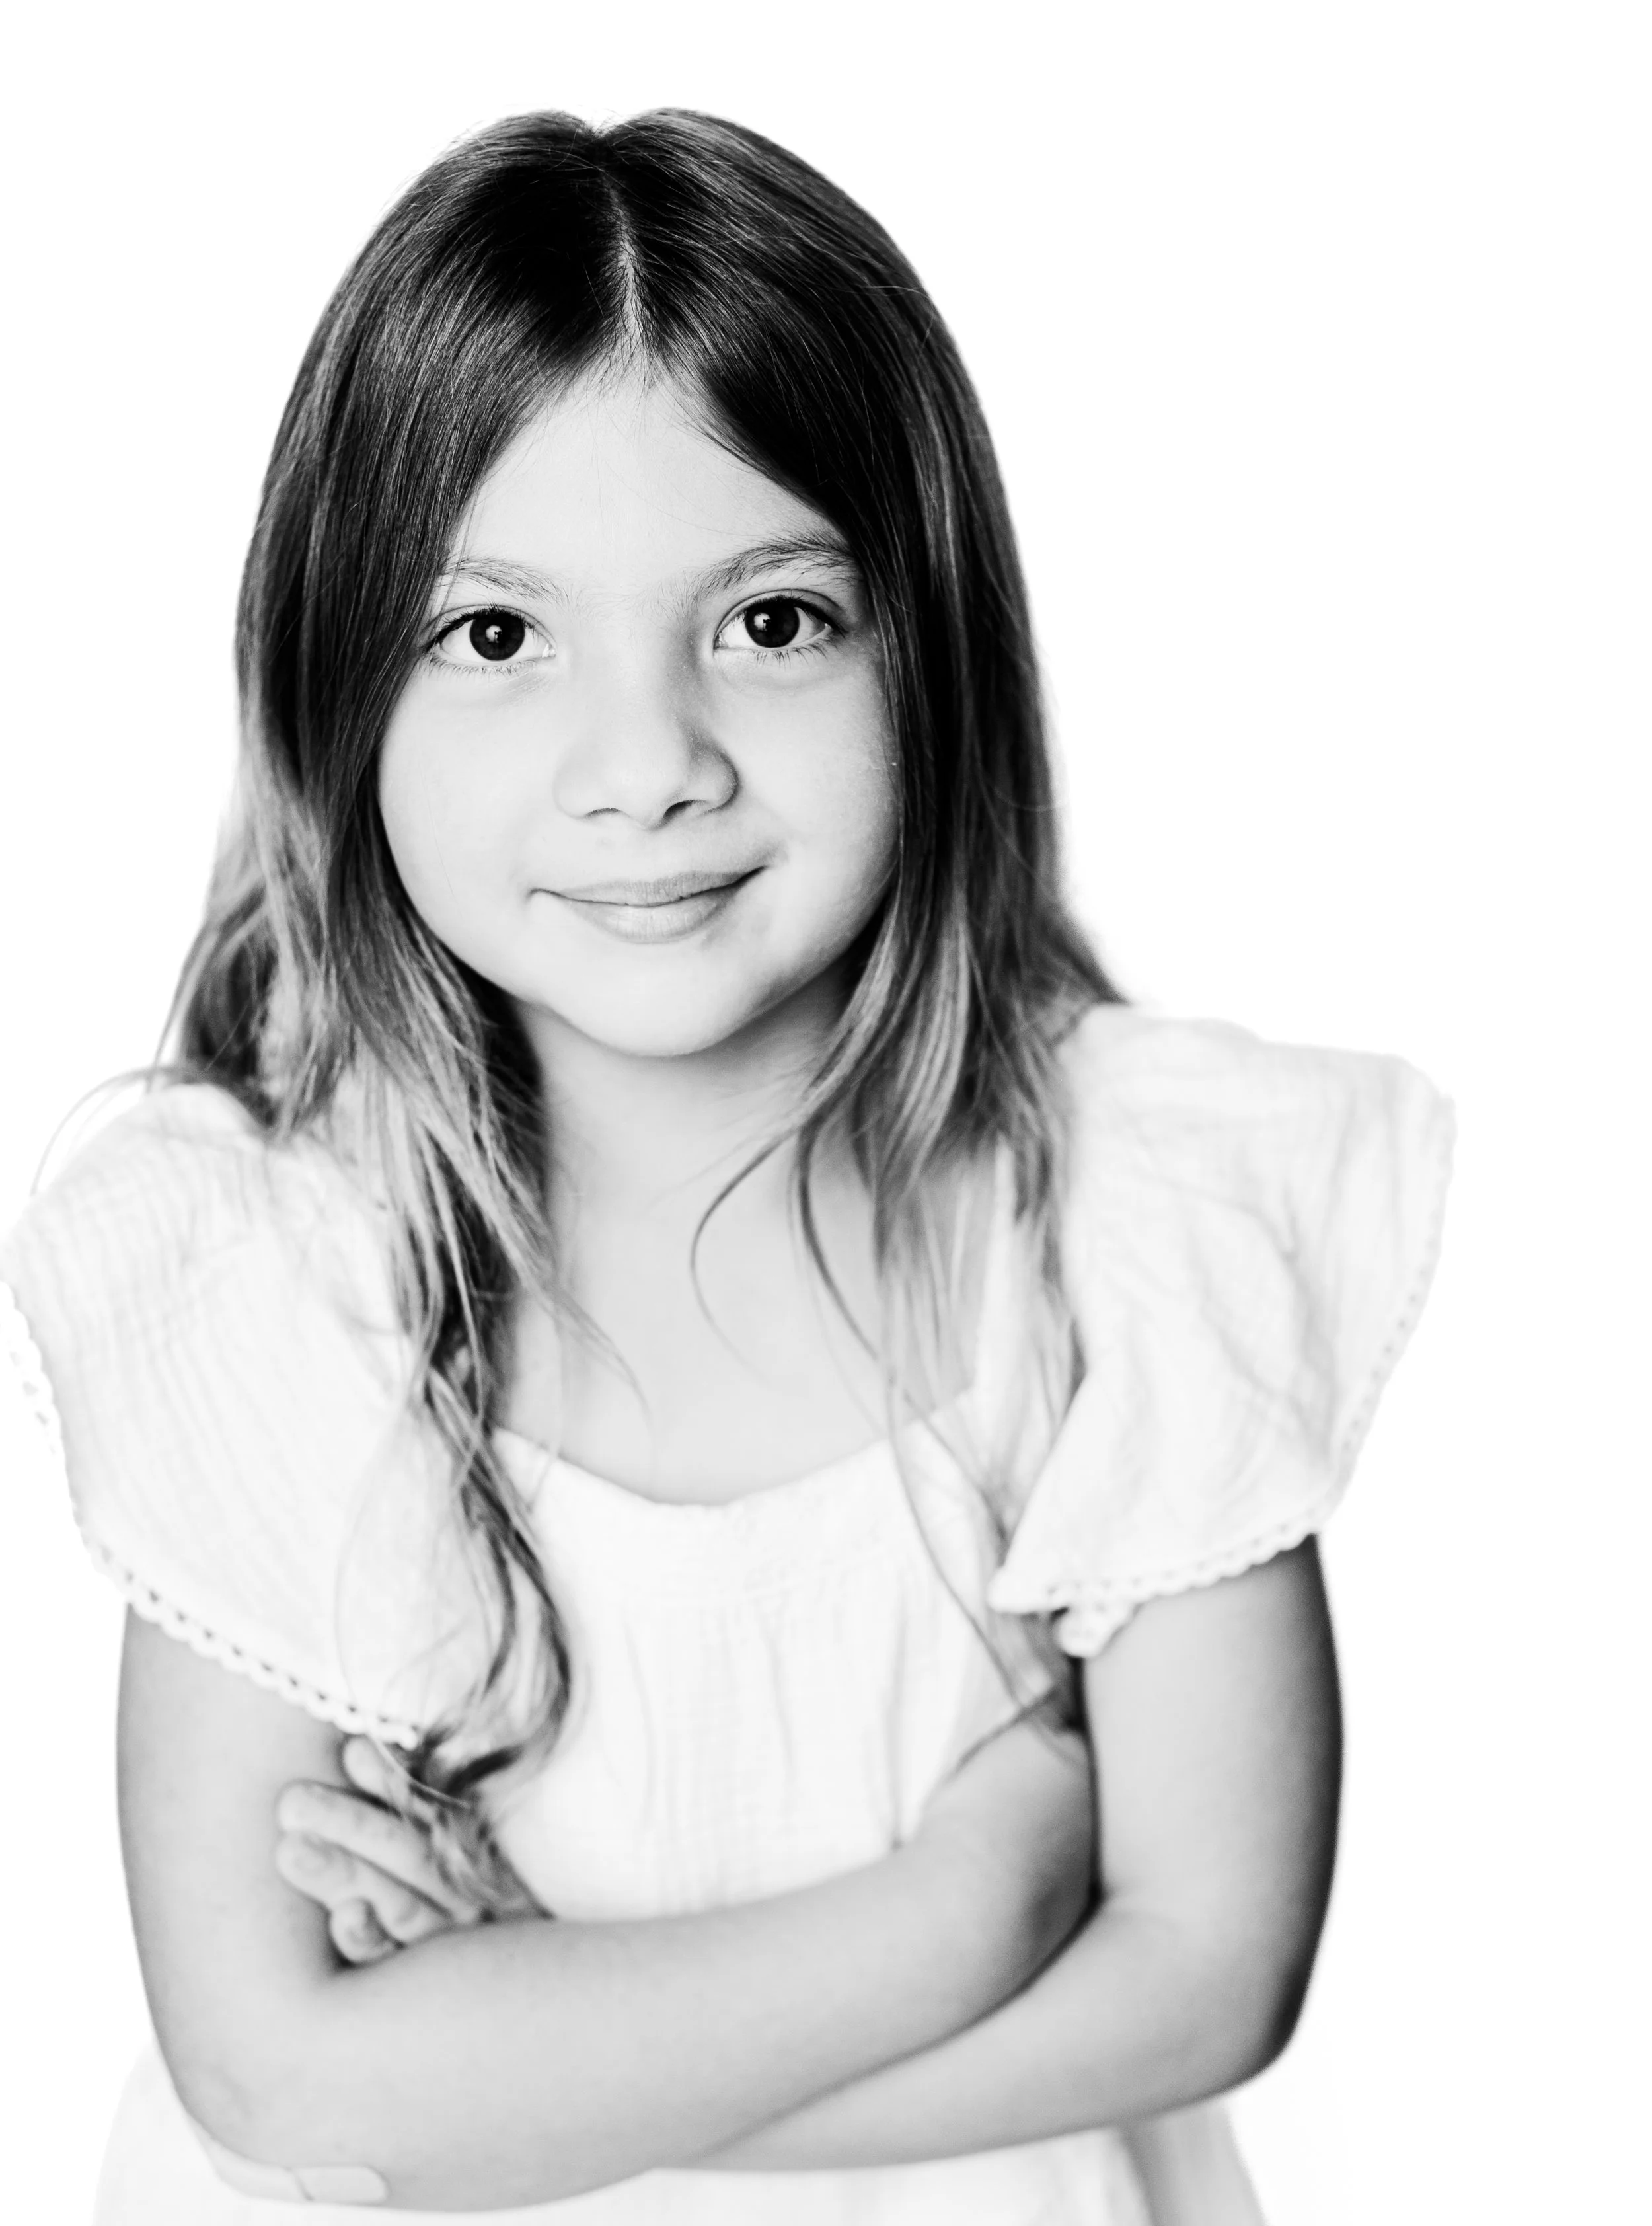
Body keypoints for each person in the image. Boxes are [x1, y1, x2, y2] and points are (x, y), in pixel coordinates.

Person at [0, 108, 1453, 2224]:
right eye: (495, 638)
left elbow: (1208, 1969)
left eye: (770, 623)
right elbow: (274, 2066)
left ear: (928, 650)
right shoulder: (291, 1275)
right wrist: (957, 1916)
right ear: (339, 693)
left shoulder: (1127, 1227)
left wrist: (527, 2063)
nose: (648, 763)